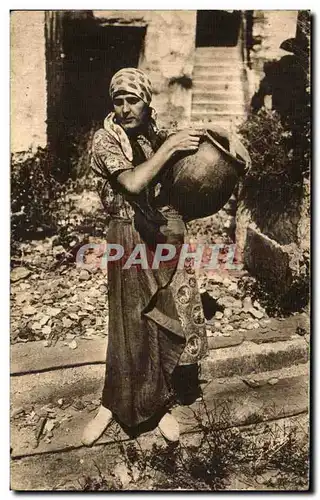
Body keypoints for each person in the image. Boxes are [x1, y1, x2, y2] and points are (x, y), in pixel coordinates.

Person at [81, 67, 208, 446]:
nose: (124, 108)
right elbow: (134, 182)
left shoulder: (156, 135)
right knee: (128, 322)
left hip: (160, 235)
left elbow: (182, 178)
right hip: (126, 234)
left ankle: (160, 404)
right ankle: (112, 404)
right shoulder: (106, 139)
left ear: (147, 101)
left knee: (160, 317)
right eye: (117, 100)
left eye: (132, 99)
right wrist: (171, 149)